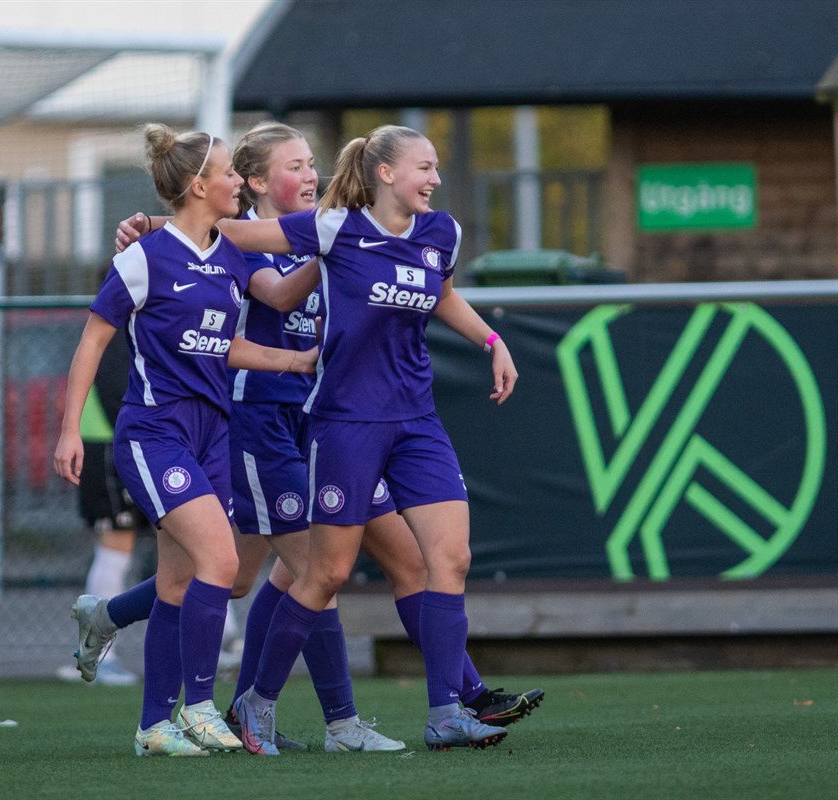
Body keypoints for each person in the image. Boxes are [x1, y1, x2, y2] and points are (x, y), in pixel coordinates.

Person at [105, 123, 541, 753]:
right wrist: (152, 223)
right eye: (296, 166)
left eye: (313, 163)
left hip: (392, 419)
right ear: (257, 182)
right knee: (291, 573)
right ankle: (276, 708)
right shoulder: (312, 232)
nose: (311, 174)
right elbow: (260, 274)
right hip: (284, 421)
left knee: (425, 560)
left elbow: (440, 292)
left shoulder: (433, 232)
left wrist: (493, 341)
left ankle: (453, 703)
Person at [53, 123, 317, 757]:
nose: (238, 182)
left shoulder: (229, 254)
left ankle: (153, 726)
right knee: (220, 565)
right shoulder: (146, 257)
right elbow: (92, 340)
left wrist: (295, 359)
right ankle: (199, 707)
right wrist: (69, 430)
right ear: (199, 186)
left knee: (177, 585)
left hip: (211, 431)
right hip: (155, 430)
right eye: (228, 173)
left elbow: (226, 341)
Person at [57, 325, 146, 687]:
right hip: (111, 442)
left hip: (134, 440)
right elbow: (112, 381)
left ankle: (220, 641)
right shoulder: (122, 318)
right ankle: (97, 654)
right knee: (115, 548)